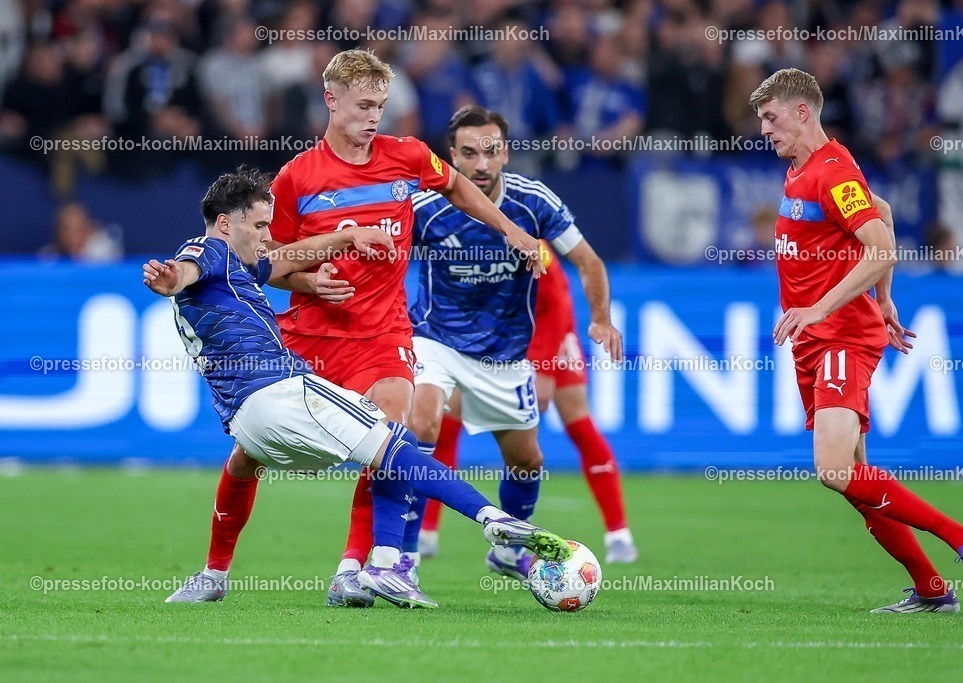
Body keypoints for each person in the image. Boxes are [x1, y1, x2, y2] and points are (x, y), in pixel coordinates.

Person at [194, 49, 545, 611]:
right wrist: (311, 284)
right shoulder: (297, 178)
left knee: (390, 435)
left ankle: (358, 568)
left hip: (382, 333)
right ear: (330, 100)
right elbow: (266, 262)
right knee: (248, 456)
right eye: (363, 105)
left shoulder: (406, 156)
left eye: (380, 105)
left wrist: (510, 230)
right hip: (310, 335)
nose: (373, 116)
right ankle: (214, 571)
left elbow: (456, 187)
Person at [151, 169, 569, 608]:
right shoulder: (210, 250)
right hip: (282, 393)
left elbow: (291, 256)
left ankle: (214, 574)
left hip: (245, 421)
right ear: (224, 223)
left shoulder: (239, 265)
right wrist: (172, 278)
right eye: (259, 225)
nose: (267, 234)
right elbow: (186, 269)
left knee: (245, 465)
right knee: (397, 441)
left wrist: (347, 238)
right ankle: (482, 523)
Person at [749, 68, 963, 613]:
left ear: (802, 112)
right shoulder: (803, 169)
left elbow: (882, 247)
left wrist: (821, 306)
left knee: (835, 470)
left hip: (839, 334)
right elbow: (880, 212)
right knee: (853, 481)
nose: (764, 130)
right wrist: (884, 299)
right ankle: (932, 591)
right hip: (815, 341)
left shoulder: (830, 169)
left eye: (771, 118)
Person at [339, 105, 624, 587]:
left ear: (506, 152)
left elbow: (589, 261)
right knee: (420, 423)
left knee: (527, 459)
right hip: (435, 340)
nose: (481, 163)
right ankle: (402, 561)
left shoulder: (534, 202)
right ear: (452, 156)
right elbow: (376, 255)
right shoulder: (426, 207)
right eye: (469, 153)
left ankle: (511, 552)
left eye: (490, 151)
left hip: (505, 355)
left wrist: (600, 319)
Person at [418, 244, 639, 564]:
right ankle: (427, 532)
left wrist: (546, 369)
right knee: (446, 420)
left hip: (551, 334)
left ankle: (618, 535)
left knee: (578, 423)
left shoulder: (528, 238)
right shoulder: (464, 231)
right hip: (499, 336)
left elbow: (555, 300)